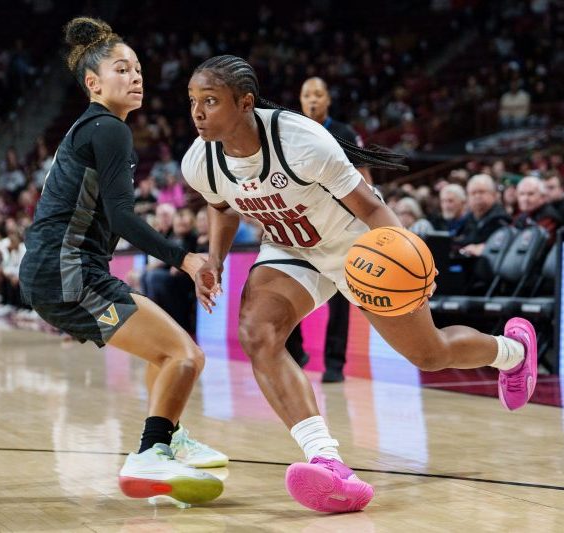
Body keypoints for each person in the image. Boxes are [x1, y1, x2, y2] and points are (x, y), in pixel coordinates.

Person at [182, 55, 538, 514]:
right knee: (257, 333)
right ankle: (327, 462)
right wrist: (215, 258)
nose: (197, 112)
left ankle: (512, 352)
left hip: (358, 246)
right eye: (193, 100)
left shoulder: (302, 141)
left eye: (210, 101)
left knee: (429, 354)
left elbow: (370, 208)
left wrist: (409, 257)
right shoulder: (201, 161)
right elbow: (222, 208)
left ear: (245, 103)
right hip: (293, 249)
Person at [18, 17, 226, 505]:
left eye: (137, 70)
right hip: (68, 272)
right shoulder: (108, 128)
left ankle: (171, 438)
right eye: (121, 69)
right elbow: (122, 219)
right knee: (186, 356)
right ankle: (151, 453)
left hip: (64, 270)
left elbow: (109, 220)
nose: (134, 77)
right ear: (93, 83)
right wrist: (186, 260)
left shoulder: (96, 129)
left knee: (166, 353)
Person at [285, 76, 366, 381]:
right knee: (289, 289)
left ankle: (334, 364)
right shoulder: (291, 134)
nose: (313, 100)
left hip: (340, 226)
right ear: (300, 100)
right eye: (307, 94)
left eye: (318, 94)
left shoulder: (345, 133)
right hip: (302, 226)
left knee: (341, 301)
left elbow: (365, 178)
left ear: (328, 99)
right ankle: (296, 352)